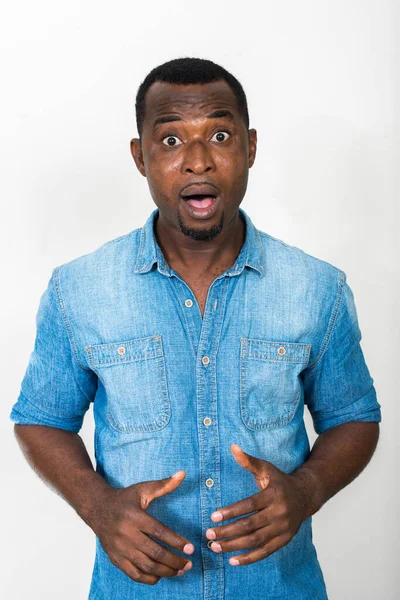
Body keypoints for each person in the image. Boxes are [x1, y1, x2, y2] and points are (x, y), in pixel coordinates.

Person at [10, 57, 382, 600]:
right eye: (171, 141)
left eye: (220, 134)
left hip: (278, 587)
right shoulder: (79, 289)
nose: (198, 160)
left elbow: (355, 418)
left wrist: (307, 490)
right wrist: (97, 506)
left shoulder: (315, 288)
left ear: (250, 148)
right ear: (140, 157)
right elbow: (40, 420)